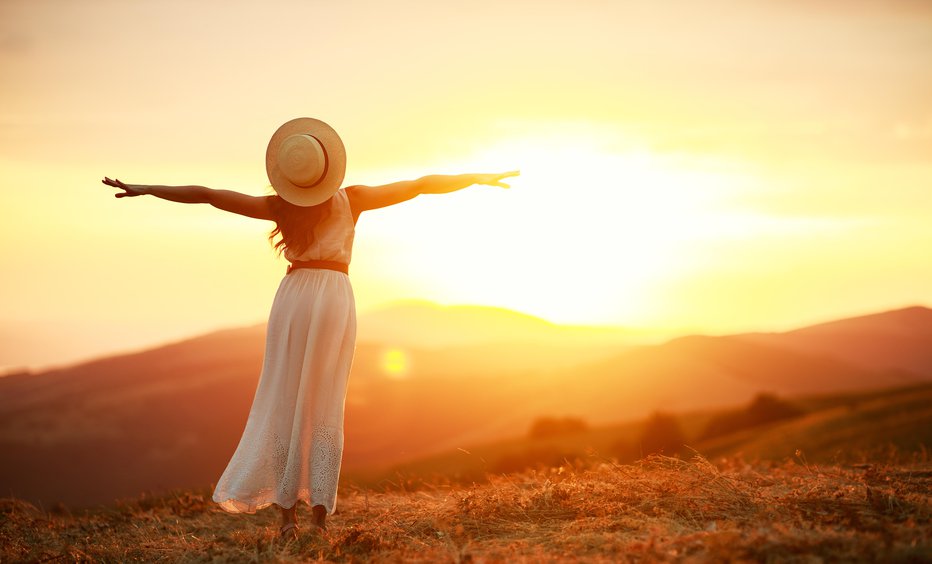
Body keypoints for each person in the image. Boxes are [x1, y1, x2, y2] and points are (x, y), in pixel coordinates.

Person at [102, 117, 517, 540]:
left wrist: (148, 188)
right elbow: (419, 185)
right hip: (333, 297)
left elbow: (209, 196)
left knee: (284, 396)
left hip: (294, 297)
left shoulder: (278, 207)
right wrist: (475, 178)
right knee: (325, 402)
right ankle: (318, 516)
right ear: (326, 167)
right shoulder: (351, 200)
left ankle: (286, 518)